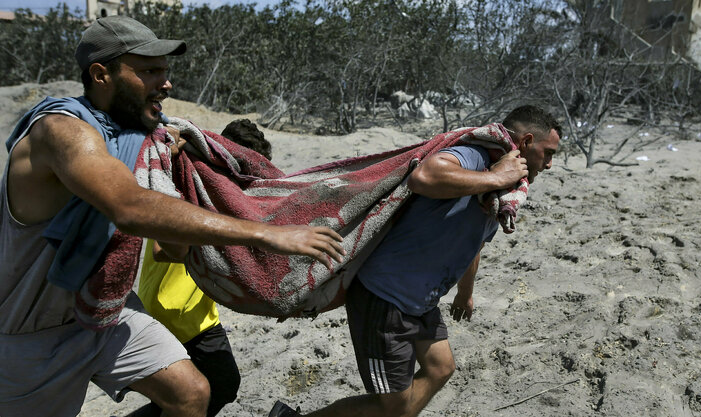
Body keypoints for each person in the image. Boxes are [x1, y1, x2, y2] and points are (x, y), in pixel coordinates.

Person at [0, 16, 344, 417]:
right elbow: (128, 206)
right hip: (31, 331)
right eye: (148, 71)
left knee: (192, 392)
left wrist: (168, 144)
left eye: (165, 71)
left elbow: (151, 148)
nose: (165, 83)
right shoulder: (60, 131)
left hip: (107, 310)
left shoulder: (133, 133)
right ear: (100, 74)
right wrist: (265, 234)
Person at [270, 105, 561, 417]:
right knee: (391, 405)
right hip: (385, 297)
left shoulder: (502, 193)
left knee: (440, 369)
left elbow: (472, 244)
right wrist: (495, 176)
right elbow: (424, 176)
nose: (549, 164)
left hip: (421, 301)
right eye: (547, 153)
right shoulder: (477, 158)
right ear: (527, 142)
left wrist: (465, 294)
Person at [130, 119, 270, 416]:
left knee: (188, 393)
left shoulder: (204, 190)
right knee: (221, 383)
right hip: (177, 309)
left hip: (191, 307)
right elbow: (160, 249)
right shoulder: (189, 188)